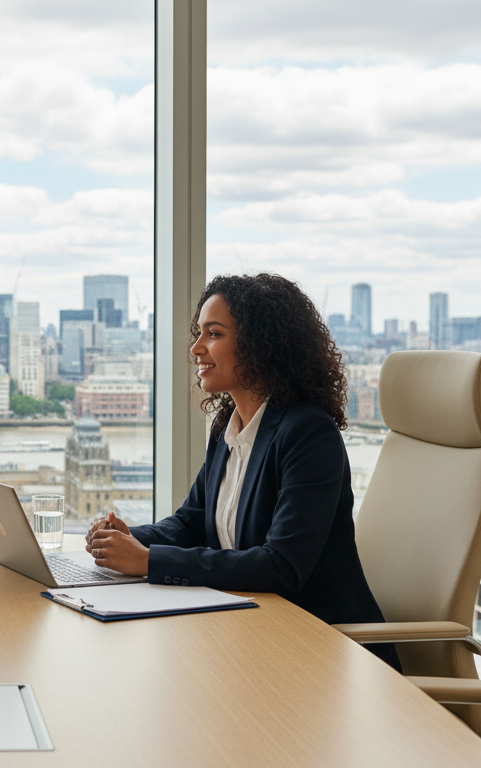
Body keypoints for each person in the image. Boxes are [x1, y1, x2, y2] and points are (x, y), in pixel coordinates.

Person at [86, 273, 400, 670]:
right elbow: (191, 521)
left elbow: (280, 567)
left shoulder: (308, 434)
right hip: (255, 634)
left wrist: (148, 561)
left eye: (214, 334)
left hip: (325, 649)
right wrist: (127, 538)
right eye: (199, 333)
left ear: (260, 345)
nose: (196, 348)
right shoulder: (228, 426)